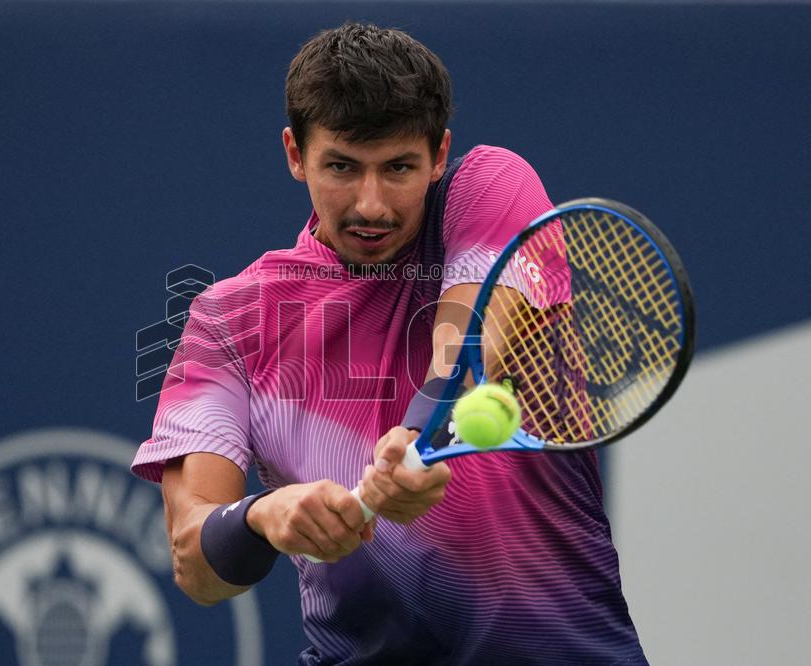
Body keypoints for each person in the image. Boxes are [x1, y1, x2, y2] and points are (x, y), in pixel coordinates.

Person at [132, 22, 647, 665]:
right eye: (342, 167)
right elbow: (194, 565)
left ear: (439, 154)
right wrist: (265, 516)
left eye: (399, 168)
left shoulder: (489, 187)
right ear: (295, 154)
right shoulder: (229, 321)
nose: (371, 205)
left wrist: (417, 432)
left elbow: (466, 343)